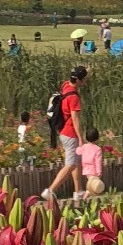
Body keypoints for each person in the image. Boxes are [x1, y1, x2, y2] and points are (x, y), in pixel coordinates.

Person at [43, 65, 88, 200]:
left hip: (62, 130)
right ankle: (50, 190)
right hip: (70, 133)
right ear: (78, 81)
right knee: (70, 164)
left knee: (75, 161)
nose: (85, 82)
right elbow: (75, 118)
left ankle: (78, 191)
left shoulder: (65, 86)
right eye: (84, 79)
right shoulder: (74, 97)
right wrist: (80, 137)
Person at [78, 128, 105, 196]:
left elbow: (78, 152)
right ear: (97, 138)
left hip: (86, 169)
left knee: (91, 184)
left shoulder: (84, 147)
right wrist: (99, 171)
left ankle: (88, 194)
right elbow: (98, 161)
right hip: (94, 170)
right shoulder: (97, 149)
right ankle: (87, 194)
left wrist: (80, 145)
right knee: (94, 185)